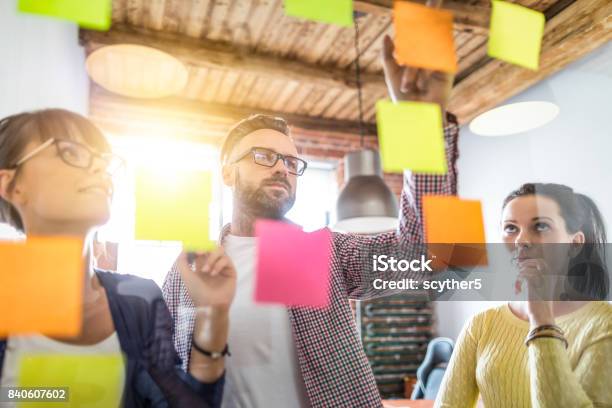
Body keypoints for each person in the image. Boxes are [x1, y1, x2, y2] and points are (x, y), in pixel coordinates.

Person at [162, 29, 459, 408]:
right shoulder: (190, 269)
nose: (281, 169)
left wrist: (422, 124)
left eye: (290, 162)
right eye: (264, 156)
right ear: (227, 172)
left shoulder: (315, 253)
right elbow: (167, 374)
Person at [0, 109, 236, 407]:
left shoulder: (140, 301)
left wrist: (213, 313)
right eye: (70, 151)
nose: (99, 166)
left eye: (102, 158)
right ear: (11, 185)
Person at [435, 183, 612, 407]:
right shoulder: (481, 325)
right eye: (511, 228)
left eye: (540, 226)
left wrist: (540, 316)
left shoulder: (604, 324)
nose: (520, 240)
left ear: (575, 244)